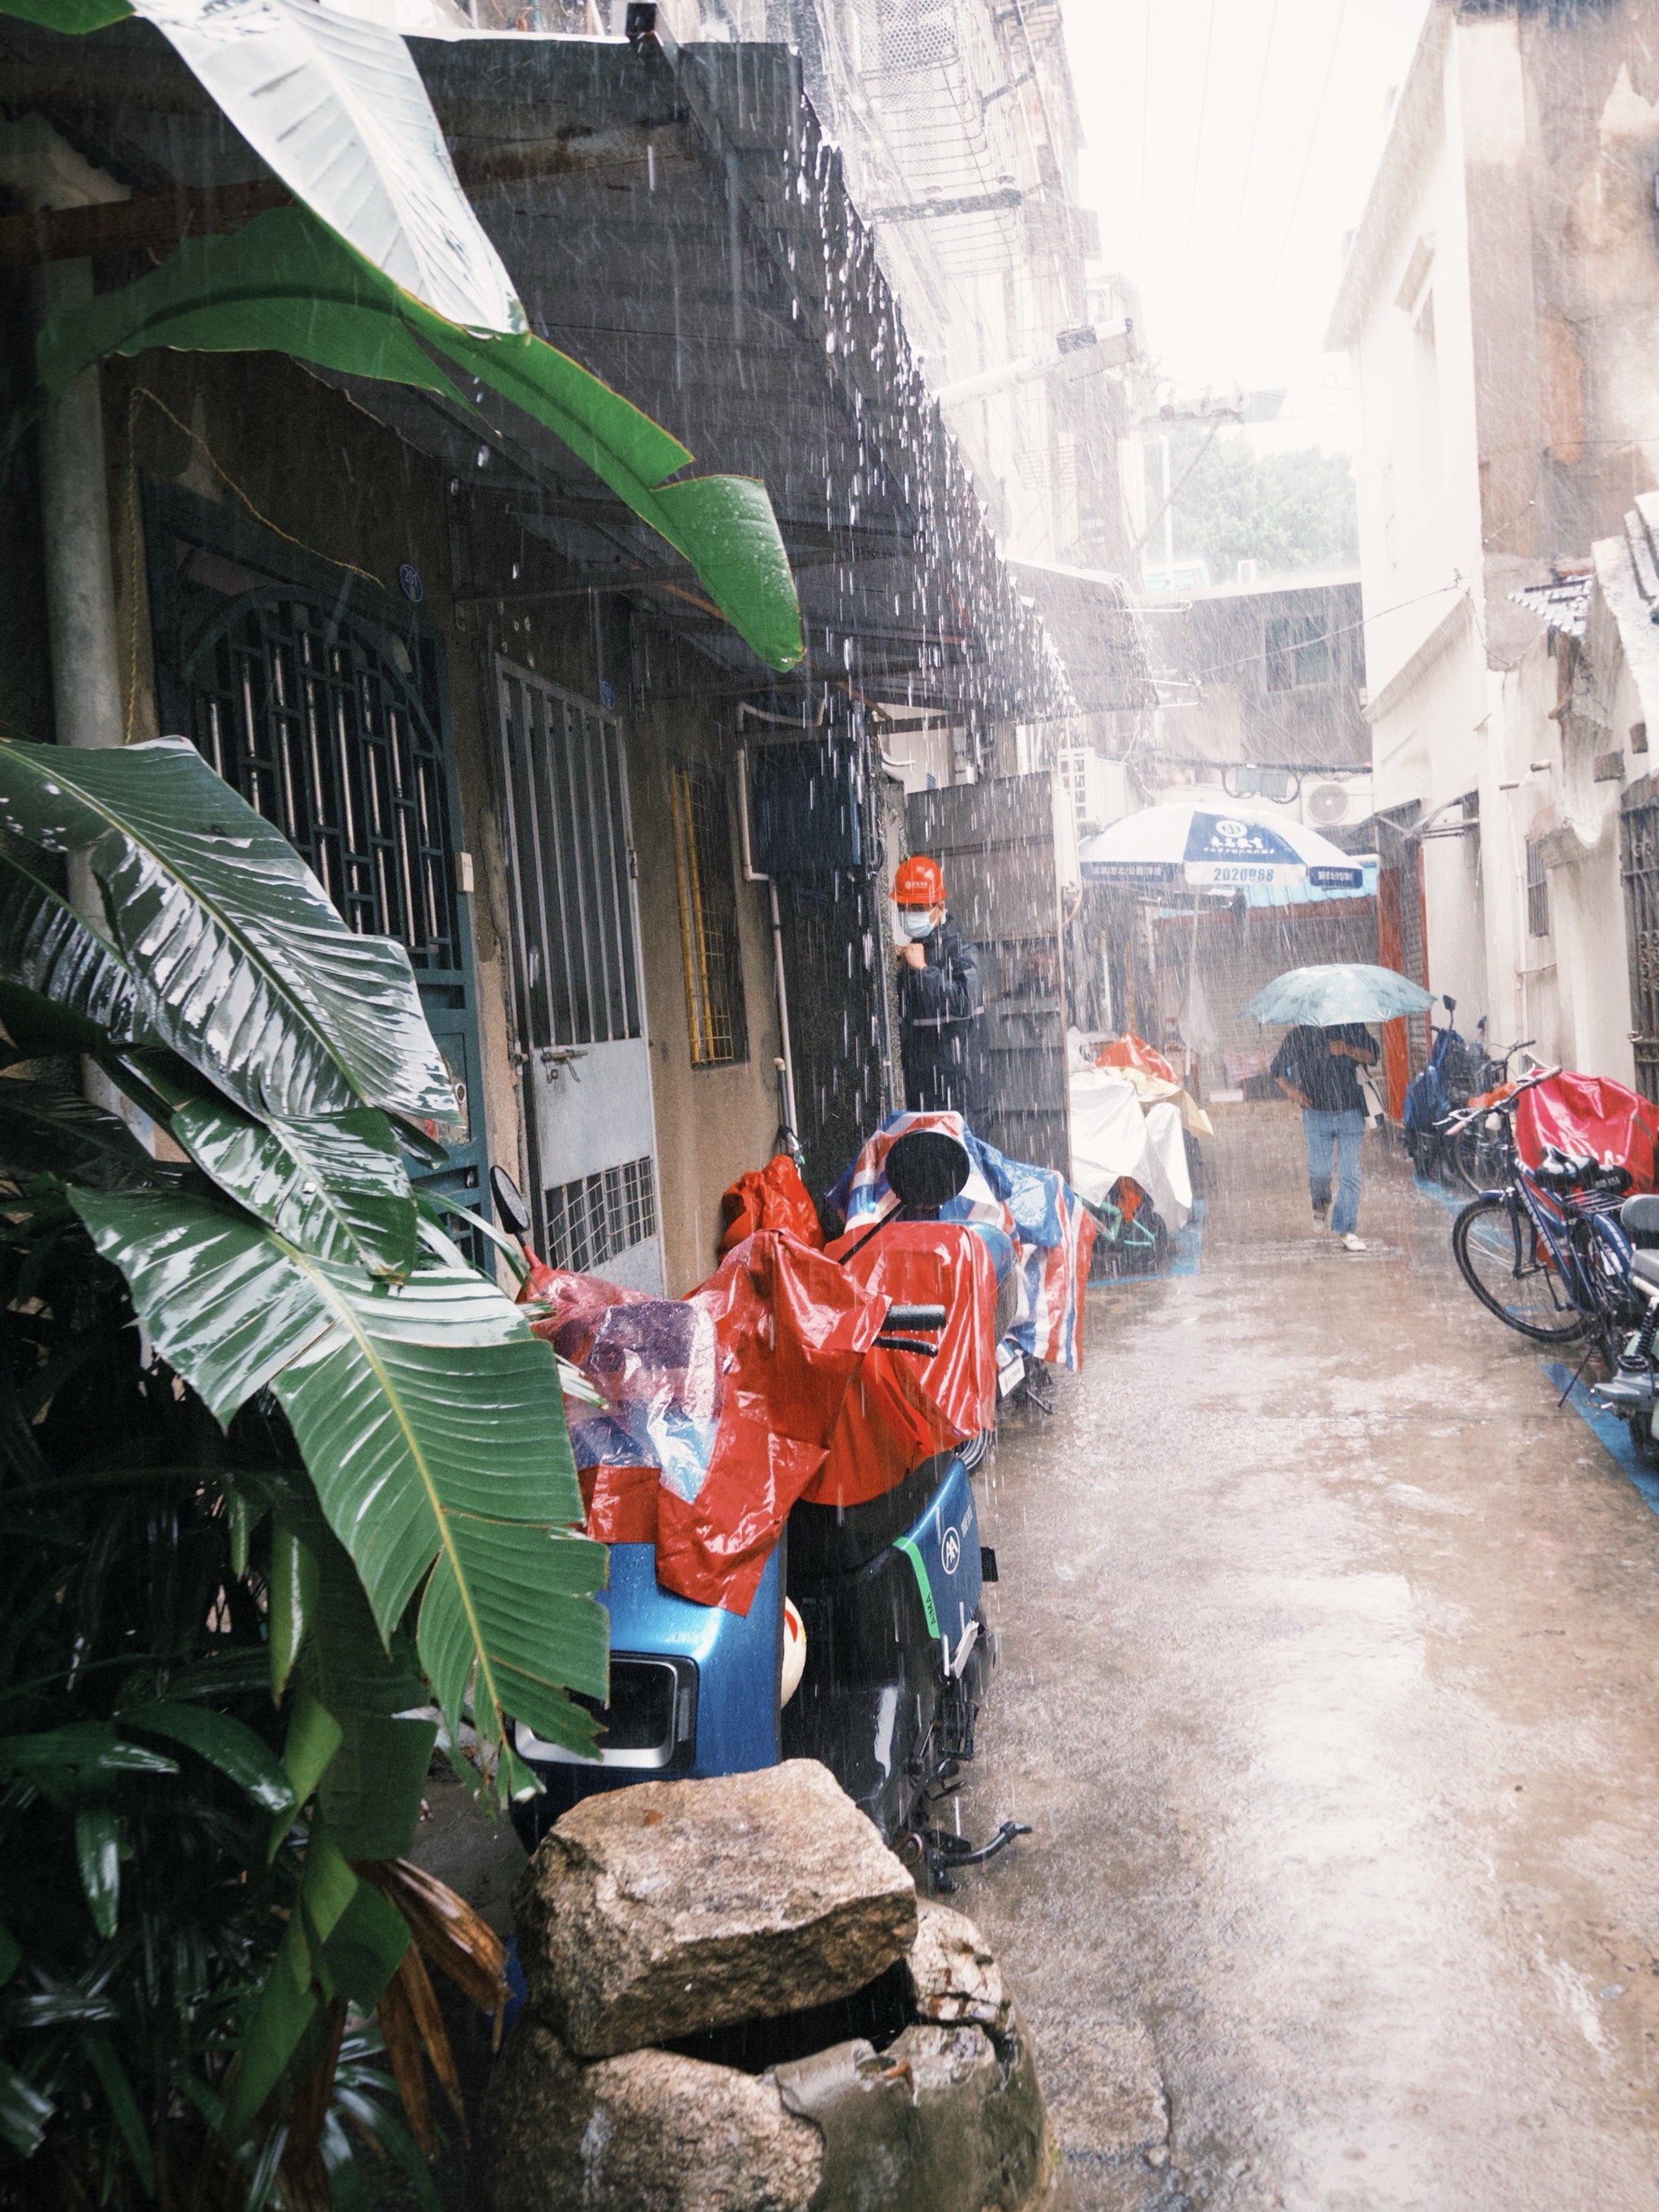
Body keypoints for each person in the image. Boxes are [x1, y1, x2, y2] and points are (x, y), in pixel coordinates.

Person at [891, 853, 989, 1121]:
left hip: (961, 1099)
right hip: (923, 1095)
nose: (910, 914)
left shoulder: (961, 951)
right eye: (904, 907)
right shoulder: (914, 954)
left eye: (919, 907)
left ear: (940, 906)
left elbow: (962, 1003)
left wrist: (923, 971)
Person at [1270, 1022, 1380, 1251]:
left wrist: (1346, 1049)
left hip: (1351, 1112)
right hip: (1315, 1113)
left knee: (1349, 1173)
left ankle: (1346, 1229)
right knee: (1319, 1172)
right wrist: (1293, 1093)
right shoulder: (1301, 1034)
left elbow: (1372, 1057)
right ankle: (1320, 1204)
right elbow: (1276, 1069)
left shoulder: (1352, 1027)